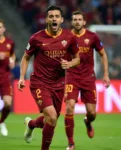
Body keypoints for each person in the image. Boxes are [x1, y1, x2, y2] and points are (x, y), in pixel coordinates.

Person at [18, 5, 80, 150]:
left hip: (59, 84)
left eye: (57, 16)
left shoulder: (69, 37)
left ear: (61, 19)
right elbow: (26, 58)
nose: (54, 19)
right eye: (51, 16)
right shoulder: (36, 38)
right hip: (40, 82)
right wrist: (22, 77)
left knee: (51, 120)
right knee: (51, 117)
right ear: (46, 19)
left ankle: (31, 124)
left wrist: (69, 63)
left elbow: (77, 59)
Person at [64, 11, 110, 150]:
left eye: (79, 19)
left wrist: (106, 74)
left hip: (88, 78)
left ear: (84, 22)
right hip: (71, 76)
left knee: (92, 113)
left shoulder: (92, 36)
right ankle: (71, 143)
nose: (77, 21)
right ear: (72, 22)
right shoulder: (66, 37)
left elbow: (103, 54)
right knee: (69, 106)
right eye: (74, 19)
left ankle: (88, 122)